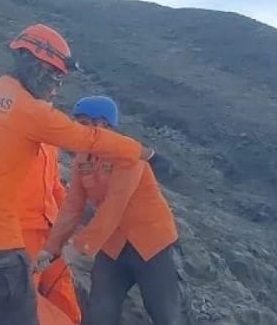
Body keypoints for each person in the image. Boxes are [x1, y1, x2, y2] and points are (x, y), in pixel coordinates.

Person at [0, 23, 165, 325]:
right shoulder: (29, 111)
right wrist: (144, 152)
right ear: (40, 66)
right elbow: (90, 139)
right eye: (56, 77)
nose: (56, 87)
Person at [36, 96, 188, 325]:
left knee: (165, 314)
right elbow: (72, 206)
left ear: (103, 125)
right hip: (113, 246)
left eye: (84, 123)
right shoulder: (82, 159)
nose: (79, 129)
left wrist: (80, 247)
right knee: (100, 312)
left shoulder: (129, 154)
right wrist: (51, 248)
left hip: (152, 244)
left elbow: (114, 206)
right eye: (78, 123)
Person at [20, 143, 82, 323]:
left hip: (52, 231)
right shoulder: (13, 140)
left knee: (61, 286)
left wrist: (70, 222)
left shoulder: (50, 145)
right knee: (26, 293)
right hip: (25, 231)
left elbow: (54, 186)